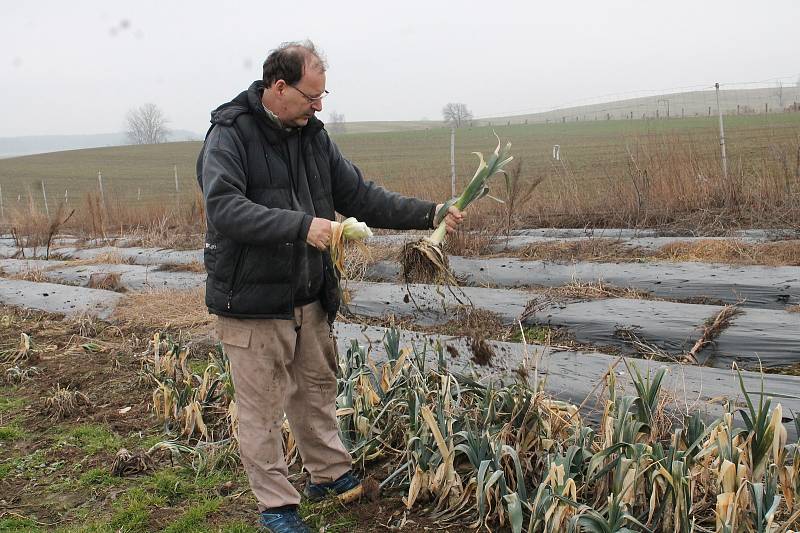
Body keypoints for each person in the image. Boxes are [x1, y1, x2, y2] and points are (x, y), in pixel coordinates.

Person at [196, 40, 464, 533]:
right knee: (260, 407)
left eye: (323, 96)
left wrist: (430, 213)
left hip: (308, 294)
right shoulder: (230, 136)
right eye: (310, 96)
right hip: (253, 302)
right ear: (279, 88)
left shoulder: (312, 137)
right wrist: (302, 226)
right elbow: (224, 209)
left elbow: (359, 196)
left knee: (315, 392)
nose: (319, 106)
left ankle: (328, 473)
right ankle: (276, 506)